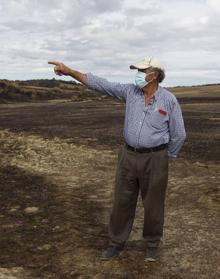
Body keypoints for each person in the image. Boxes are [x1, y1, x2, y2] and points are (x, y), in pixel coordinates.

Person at [48, 57, 186, 262]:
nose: (137, 75)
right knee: (122, 201)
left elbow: (179, 134)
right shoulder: (130, 92)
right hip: (128, 156)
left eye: (141, 71)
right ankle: (116, 243)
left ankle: (152, 244)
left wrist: (166, 156)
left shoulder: (169, 100)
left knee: (154, 204)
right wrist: (69, 72)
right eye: (137, 71)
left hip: (155, 158)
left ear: (154, 75)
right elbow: (100, 84)